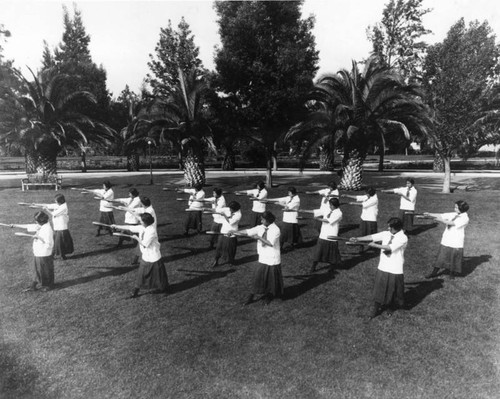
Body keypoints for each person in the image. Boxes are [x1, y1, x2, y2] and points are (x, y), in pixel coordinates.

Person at [350, 217, 408, 320]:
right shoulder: (386, 233)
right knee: (379, 289)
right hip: (383, 266)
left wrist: (375, 246)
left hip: (395, 268)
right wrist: (358, 239)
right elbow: (372, 237)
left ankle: (390, 307)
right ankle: (375, 309)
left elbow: (389, 248)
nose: (388, 228)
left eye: (390, 226)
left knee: (393, 290)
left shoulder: (403, 237)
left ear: (396, 228)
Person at [111, 213, 169, 298]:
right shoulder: (142, 227)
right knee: (141, 275)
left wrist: (136, 238)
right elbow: (129, 227)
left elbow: (145, 244)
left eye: (141, 220)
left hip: (154, 257)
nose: (139, 221)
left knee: (159, 277)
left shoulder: (152, 231)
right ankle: (135, 293)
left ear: (145, 222)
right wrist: (116, 226)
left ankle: (164, 290)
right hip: (146, 257)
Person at [237, 211, 283, 305]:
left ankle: (268, 296)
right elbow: (248, 231)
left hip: (272, 259)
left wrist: (258, 237)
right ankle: (250, 297)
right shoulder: (260, 227)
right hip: (263, 258)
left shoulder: (276, 229)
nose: (261, 221)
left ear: (268, 220)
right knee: (257, 278)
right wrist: (234, 232)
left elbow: (270, 243)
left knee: (271, 280)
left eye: (263, 219)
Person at [424, 200, 470, 280]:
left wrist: (437, 219)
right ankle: (434, 272)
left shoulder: (465, 218)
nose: (454, 208)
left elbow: (450, 223)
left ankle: (452, 273)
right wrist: (430, 214)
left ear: (461, 208)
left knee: (454, 257)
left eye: (456, 207)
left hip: (456, 241)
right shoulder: (455, 214)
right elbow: (442, 215)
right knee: (441, 256)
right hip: (447, 238)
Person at [11, 211, 55, 292]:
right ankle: (34, 285)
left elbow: (49, 244)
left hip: (44, 254)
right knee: (37, 270)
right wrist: (15, 225)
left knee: (44, 270)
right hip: (38, 253)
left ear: (41, 221)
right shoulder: (41, 225)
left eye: (36, 221)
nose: (35, 223)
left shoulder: (47, 229)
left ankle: (47, 286)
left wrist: (38, 238)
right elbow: (28, 226)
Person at [301, 198, 343, 274]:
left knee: (332, 253)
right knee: (318, 252)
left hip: (331, 235)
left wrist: (318, 219)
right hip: (323, 234)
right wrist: (304, 211)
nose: (329, 206)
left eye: (330, 204)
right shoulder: (328, 209)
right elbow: (317, 211)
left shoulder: (339, 213)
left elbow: (328, 221)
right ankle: (313, 266)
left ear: (333, 205)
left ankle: (331, 268)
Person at [39, 194, 74, 260]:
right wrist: (36, 204)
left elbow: (54, 213)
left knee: (60, 242)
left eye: (56, 201)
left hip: (62, 228)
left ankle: (62, 255)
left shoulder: (64, 207)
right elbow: (49, 205)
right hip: (57, 227)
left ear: (60, 201)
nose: (55, 202)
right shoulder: (60, 205)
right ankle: (54, 254)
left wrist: (46, 209)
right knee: (55, 241)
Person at [211, 201, 242, 268]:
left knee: (230, 249)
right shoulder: (228, 209)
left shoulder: (238, 215)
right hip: (223, 231)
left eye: (231, 209)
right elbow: (218, 210)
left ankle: (231, 261)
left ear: (235, 209)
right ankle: (216, 260)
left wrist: (224, 215)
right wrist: (212, 209)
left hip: (231, 233)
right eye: (229, 208)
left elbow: (230, 222)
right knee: (219, 247)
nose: (229, 210)